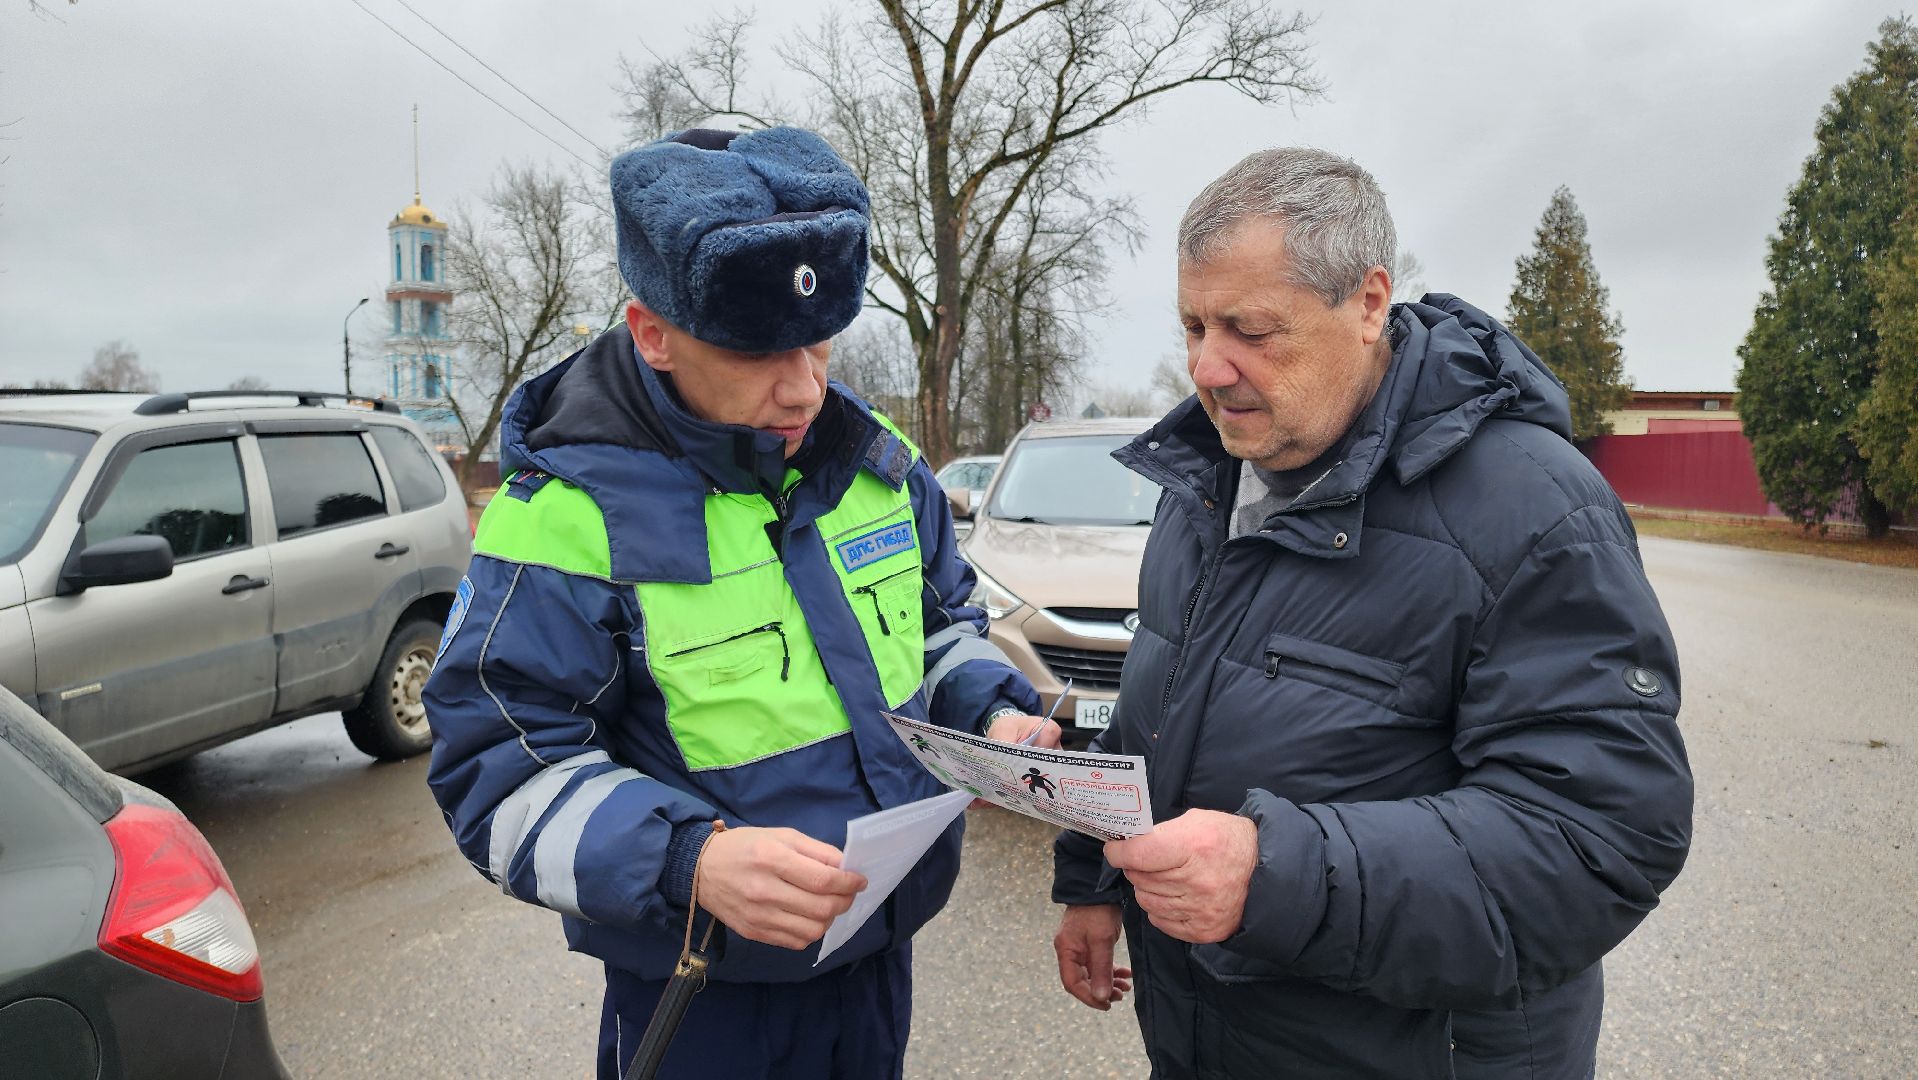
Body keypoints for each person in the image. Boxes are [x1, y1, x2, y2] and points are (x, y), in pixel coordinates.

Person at [423, 126, 1055, 1080]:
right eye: (759, 353)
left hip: (877, 958)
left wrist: (991, 712)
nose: (803, 390)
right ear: (653, 334)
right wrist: (691, 862)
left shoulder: (878, 468)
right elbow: (496, 776)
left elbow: (939, 629)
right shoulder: (562, 519)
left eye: (819, 343)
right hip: (704, 995)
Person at [1050, 148, 1694, 1079]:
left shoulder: (1535, 509)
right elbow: (1162, 712)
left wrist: (1274, 876)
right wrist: (1095, 878)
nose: (1205, 365)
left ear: (1367, 302)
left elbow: (1598, 838)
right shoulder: (1205, 483)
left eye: (1251, 329)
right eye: (1192, 324)